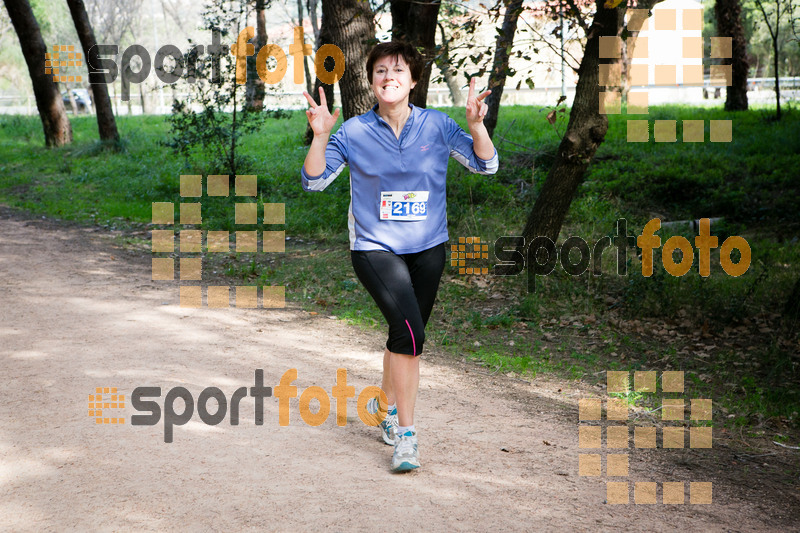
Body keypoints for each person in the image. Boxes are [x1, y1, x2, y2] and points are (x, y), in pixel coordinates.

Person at [301, 41, 498, 472]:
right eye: (380, 72)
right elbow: (314, 181)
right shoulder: (353, 132)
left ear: (412, 81)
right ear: (371, 82)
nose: (388, 77)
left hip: (428, 248)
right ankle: (406, 437)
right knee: (411, 337)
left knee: (403, 334)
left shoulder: (438, 126)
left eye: (398, 71)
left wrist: (477, 126)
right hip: (375, 247)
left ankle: (388, 411)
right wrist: (320, 136)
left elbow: (486, 165)